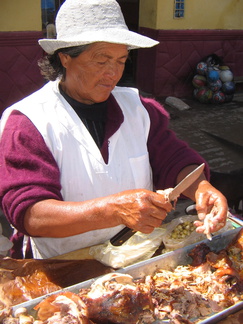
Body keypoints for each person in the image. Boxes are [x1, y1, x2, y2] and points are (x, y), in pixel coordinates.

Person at [0, 0, 228, 259]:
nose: (113, 73)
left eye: (121, 61)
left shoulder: (139, 109)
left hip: (137, 256)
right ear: (65, 57)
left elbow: (174, 159)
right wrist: (113, 210)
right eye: (101, 61)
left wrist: (201, 189)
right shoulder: (30, 122)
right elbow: (30, 214)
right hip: (65, 265)